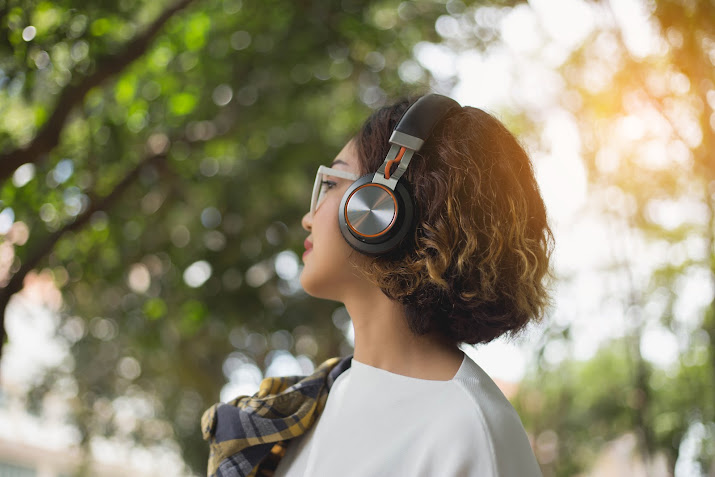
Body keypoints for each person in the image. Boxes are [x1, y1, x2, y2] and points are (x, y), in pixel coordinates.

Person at [202, 94, 552, 477]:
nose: (307, 218)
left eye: (331, 183)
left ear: (380, 205)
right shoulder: (305, 415)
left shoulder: (468, 430)